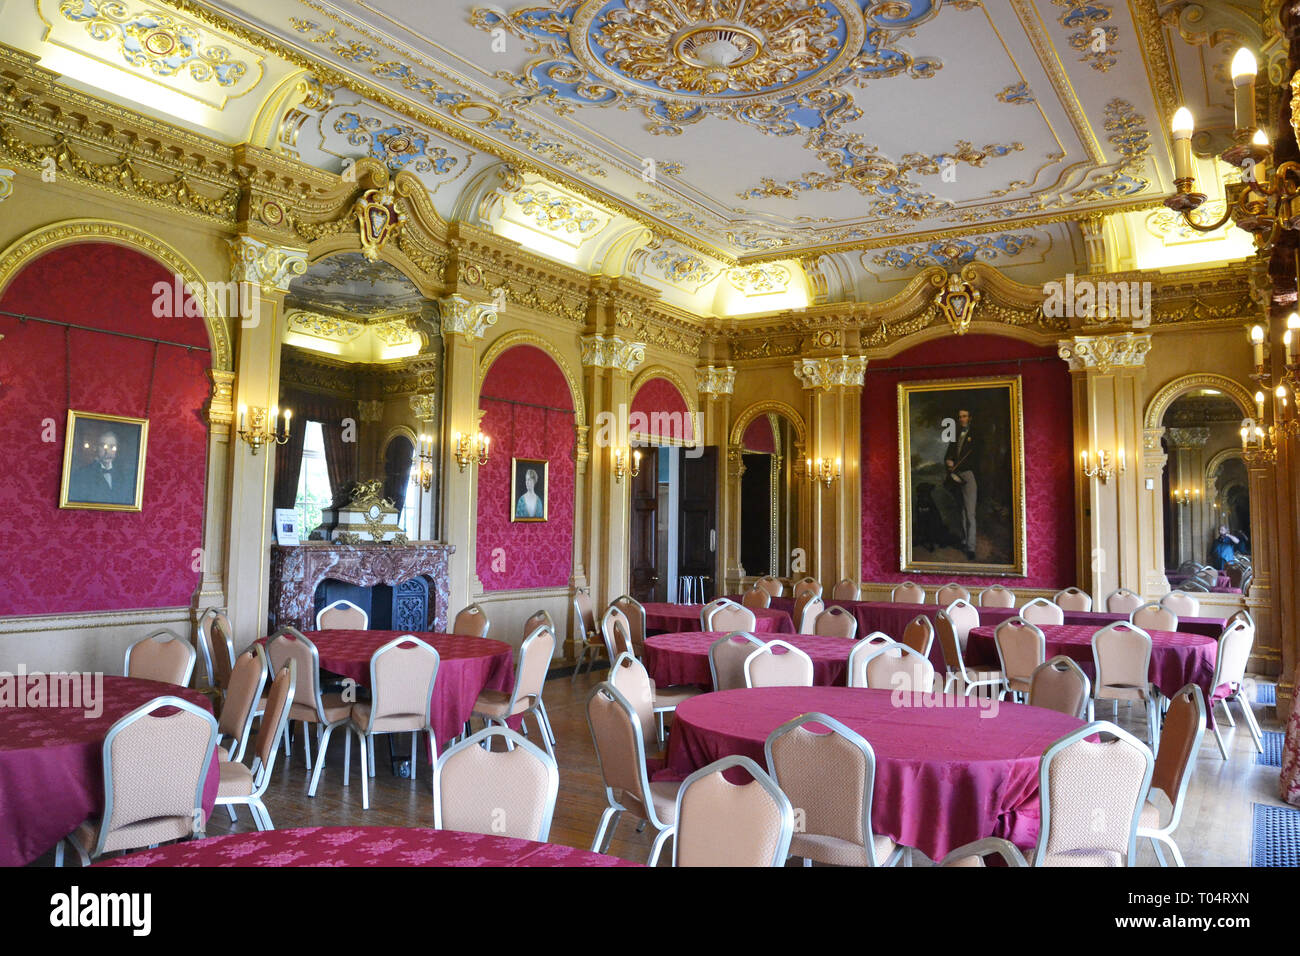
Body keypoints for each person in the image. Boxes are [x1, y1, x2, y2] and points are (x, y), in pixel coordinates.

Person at [943, 409, 979, 560]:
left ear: (969, 418)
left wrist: (959, 466)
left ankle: (971, 547)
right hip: (955, 475)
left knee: (970, 513)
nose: (962, 419)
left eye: (964, 416)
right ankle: (965, 540)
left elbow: (977, 457)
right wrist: (949, 461)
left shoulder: (976, 436)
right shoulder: (956, 436)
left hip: (969, 475)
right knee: (962, 511)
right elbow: (948, 454)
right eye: (959, 417)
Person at [69, 429, 134, 505]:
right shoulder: (82, 474)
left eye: (112, 447)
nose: (108, 452)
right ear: (96, 448)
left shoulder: (124, 475)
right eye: (103, 446)